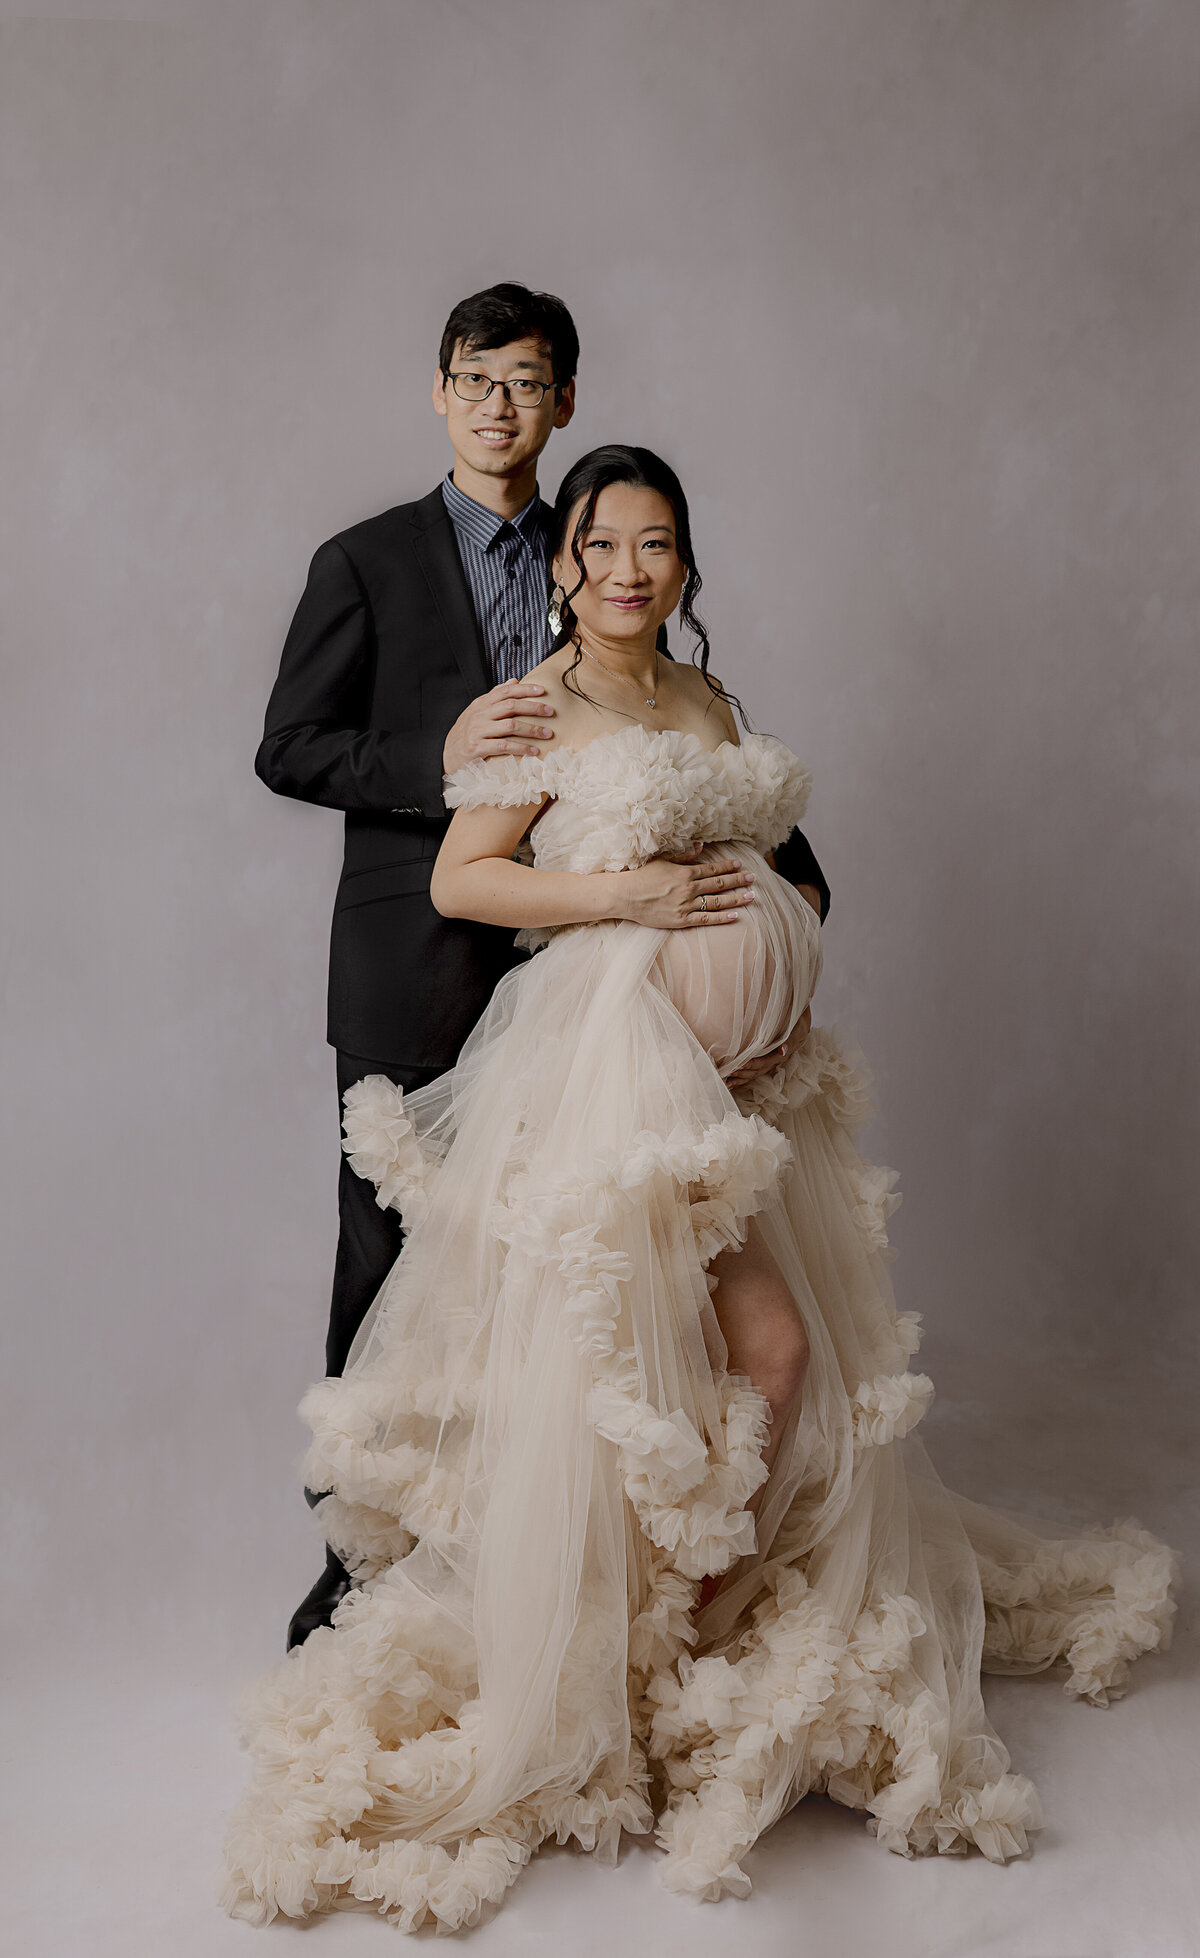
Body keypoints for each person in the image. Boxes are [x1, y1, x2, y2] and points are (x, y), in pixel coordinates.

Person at [224, 446, 1177, 1933]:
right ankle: (610, 1651)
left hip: (738, 1099)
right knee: (644, 1363)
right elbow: (468, 881)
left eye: (656, 544)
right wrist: (630, 898)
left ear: (683, 564)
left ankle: (686, 1635)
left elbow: (766, 851)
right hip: (606, 1080)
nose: (628, 569)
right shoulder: (538, 705)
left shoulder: (706, 697)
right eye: (602, 545)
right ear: (566, 564)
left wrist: (790, 919)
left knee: (753, 1359)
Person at [255, 285, 830, 1647]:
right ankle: (363, 1546)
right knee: (392, 1259)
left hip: (606, 1004)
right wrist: (443, 759)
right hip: (423, 955)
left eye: (527, 382)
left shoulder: (598, 550)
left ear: (565, 398)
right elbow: (289, 748)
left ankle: (564, 1557)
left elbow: (688, 759)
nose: (501, 406)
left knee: (575, 1291)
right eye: (476, 380)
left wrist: (793, 908)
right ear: (440, 392)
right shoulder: (369, 561)